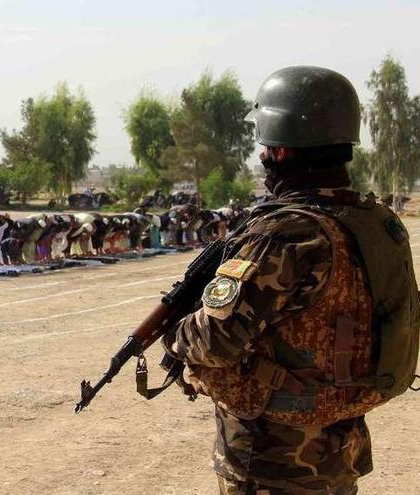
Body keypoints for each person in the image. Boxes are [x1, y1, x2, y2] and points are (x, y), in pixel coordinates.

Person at [162, 66, 419, 495]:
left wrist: (175, 332)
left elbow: (213, 340)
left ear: (282, 151)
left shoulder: (287, 234)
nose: (263, 156)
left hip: (272, 463)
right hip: (338, 452)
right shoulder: (374, 223)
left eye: (266, 145)